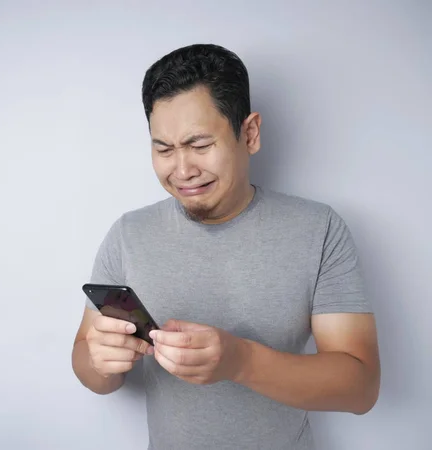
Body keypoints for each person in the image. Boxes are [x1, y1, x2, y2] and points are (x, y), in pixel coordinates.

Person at [71, 43, 380, 450]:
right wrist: (101, 363)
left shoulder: (319, 229)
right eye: (163, 148)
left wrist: (242, 361)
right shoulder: (128, 233)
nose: (182, 170)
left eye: (200, 145)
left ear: (249, 133)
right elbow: (87, 360)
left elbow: (360, 388)